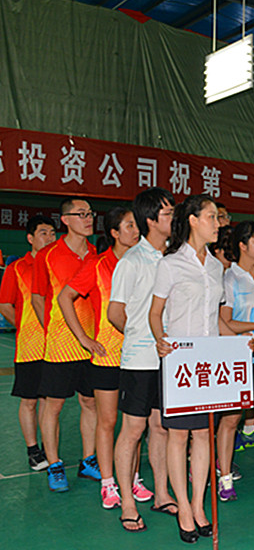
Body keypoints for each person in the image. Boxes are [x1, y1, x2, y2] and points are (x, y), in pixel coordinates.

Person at [150, 194, 244, 543]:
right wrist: (160, 339)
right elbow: (155, 313)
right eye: (211, 217)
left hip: (210, 362)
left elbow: (216, 319)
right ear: (192, 220)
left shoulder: (217, 267)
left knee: (204, 433)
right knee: (178, 436)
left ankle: (199, 504)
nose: (218, 224)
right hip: (180, 362)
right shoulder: (170, 264)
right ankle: (184, 510)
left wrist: (237, 343)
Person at [58, 207, 142, 509]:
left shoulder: (143, 263)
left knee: (135, 423)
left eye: (137, 225)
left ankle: (133, 479)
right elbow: (64, 297)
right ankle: (108, 484)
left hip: (139, 357)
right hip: (106, 358)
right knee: (108, 422)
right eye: (129, 226)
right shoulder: (96, 265)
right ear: (115, 233)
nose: (136, 230)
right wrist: (84, 339)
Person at [108, 187, 177, 532]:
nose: (173, 218)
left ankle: (162, 494)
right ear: (150, 220)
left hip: (172, 360)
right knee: (133, 429)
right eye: (167, 214)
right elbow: (115, 312)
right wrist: (140, 336)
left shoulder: (175, 258)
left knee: (161, 427)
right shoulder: (132, 261)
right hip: (140, 361)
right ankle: (128, 502)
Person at [31, 198, 100, 493]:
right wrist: (52, 330)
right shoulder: (47, 255)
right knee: (54, 405)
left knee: (90, 402)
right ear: (65, 220)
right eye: (81, 214)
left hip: (92, 345)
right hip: (59, 345)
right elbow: (37, 298)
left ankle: (88, 460)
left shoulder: (96, 254)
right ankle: (54, 464)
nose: (88, 218)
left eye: (90, 214)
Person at [0, 214, 56, 471]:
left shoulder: (56, 266)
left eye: (52, 233)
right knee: (30, 400)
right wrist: (25, 328)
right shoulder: (17, 268)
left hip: (56, 347)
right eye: (43, 233)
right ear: (30, 238)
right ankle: (33, 449)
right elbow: (5, 305)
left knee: (49, 400)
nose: (49, 238)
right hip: (29, 347)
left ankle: (48, 446)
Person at [219, 221, 254, 501]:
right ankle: (225, 477)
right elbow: (224, 322)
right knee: (231, 420)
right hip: (242, 357)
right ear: (242, 245)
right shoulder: (230, 278)